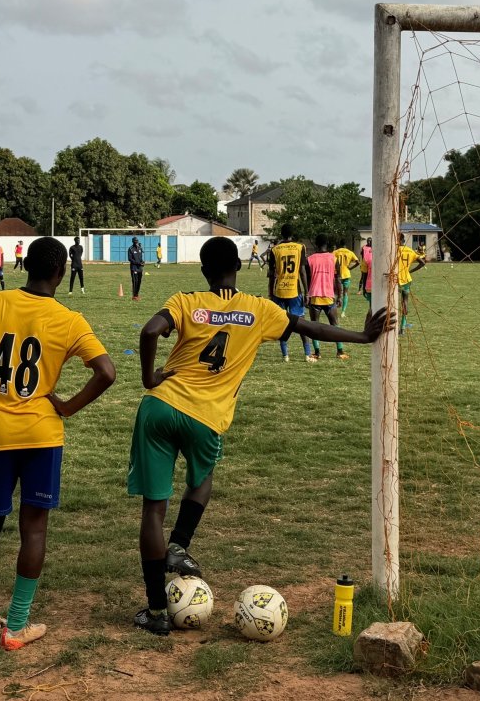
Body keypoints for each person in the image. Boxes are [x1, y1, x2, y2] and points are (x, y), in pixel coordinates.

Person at [128, 237, 394, 635]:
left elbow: (150, 331)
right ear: (238, 265)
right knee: (201, 480)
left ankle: (156, 612)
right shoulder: (258, 310)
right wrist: (361, 335)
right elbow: (310, 326)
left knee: (153, 509)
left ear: (203, 271)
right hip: (206, 417)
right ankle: (179, 544)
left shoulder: (186, 300)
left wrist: (149, 377)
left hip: (160, 406)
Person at [0, 237, 116, 651]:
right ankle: (16, 628)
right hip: (43, 435)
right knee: (34, 529)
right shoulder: (69, 320)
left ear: (24, 266)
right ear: (61, 272)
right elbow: (106, 371)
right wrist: (66, 407)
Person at [266, 224, 313, 362]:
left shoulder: (275, 250)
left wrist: (270, 292)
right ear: (293, 234)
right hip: (294, 290)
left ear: (281, 234)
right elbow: (302, 271)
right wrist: (307, 292)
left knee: (282, 323)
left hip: (279, 290)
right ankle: (307, 354)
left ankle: (285, 355)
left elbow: (271, 274)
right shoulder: (300, 247)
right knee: (302, 323)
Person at [306, 234, 347, 360]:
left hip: (315, 296)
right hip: (329, 297)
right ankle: (340, 351)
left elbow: (307, 280)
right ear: (327, 243)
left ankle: (317, 352)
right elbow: (338, 279)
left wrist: (306, 295)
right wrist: (339, 296)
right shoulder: (333, 258)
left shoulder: (310, 259)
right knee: (335, 325)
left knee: (314, 326)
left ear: (316, 243)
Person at [398, 232, 425, 334]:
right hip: (406, 280)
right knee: (404, 302)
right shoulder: (410, 251)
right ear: (404, 241)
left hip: (395, 281)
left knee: (390, 302)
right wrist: (410, 271)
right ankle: (403, 327)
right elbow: (422, 263)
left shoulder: (393, 250)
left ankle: (390, 324)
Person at [332, 241, 360, 317]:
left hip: (337, 275)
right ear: (345, 245)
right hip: (346, 274)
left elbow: (331, 261)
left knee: (335, 293)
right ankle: (343, 312)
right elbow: (358, 262)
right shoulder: (350, 252)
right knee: (345, 293)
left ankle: (334, 309)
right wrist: (350, 268)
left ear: (339, 245)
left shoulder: (335, 252)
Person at [360, 237, 373, 308]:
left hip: (369, 285)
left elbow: (364, 275)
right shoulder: (364, 248)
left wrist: (364, 288)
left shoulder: (367, 257)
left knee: (371, 307)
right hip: (381, 286)